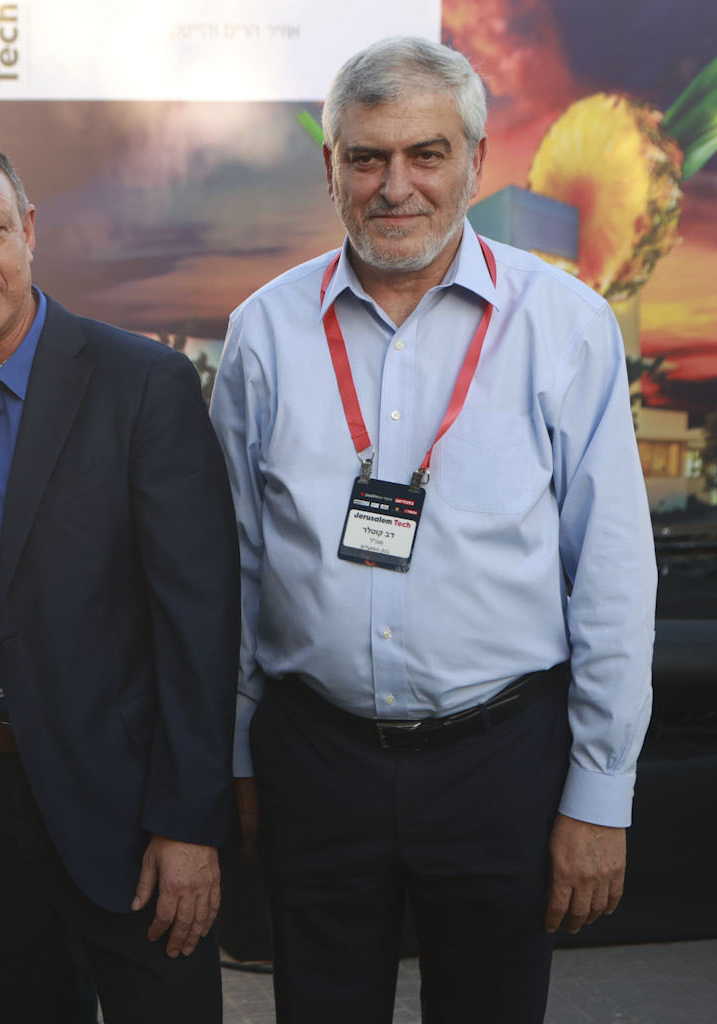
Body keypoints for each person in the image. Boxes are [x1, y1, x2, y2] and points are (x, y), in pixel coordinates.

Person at [208, 36, 656, 1024]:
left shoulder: (566, 327)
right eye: (367, 157)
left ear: (477, 161)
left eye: (427, 153)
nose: (395, 186)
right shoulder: (265, 333)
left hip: (501, 761)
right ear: (330, 168)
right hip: (313, 759)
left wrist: (599, 791)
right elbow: (235, 568)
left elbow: (613, 576)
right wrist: (240, 757)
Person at [0, 133, 239, 1023]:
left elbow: (201, 622)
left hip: (131, 803)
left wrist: (190, 825)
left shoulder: (143, 384)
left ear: (30, 228)